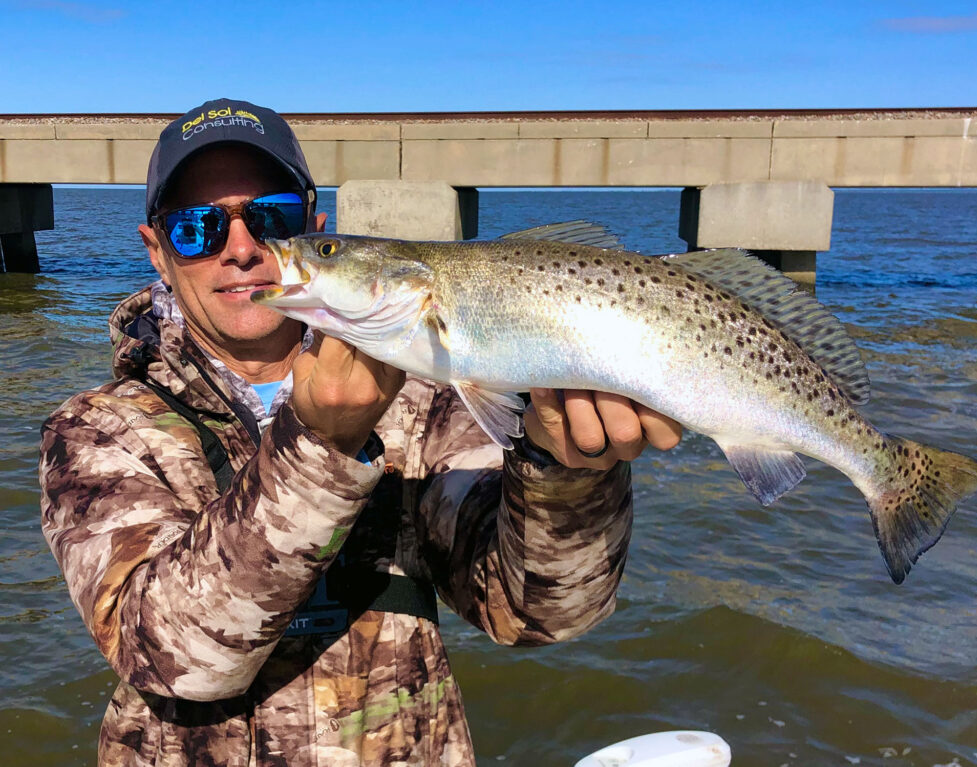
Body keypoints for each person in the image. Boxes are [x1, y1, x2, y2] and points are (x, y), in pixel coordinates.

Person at [39, 98, 682, 767]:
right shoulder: (95, 430)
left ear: (313, 224)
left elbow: (538, 610)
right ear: (158, 252)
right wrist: (320, 445)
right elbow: (175, 659)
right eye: (197, 228)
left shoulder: (423, 394)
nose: (241, 248)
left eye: (272, 217)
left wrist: (564, 468)